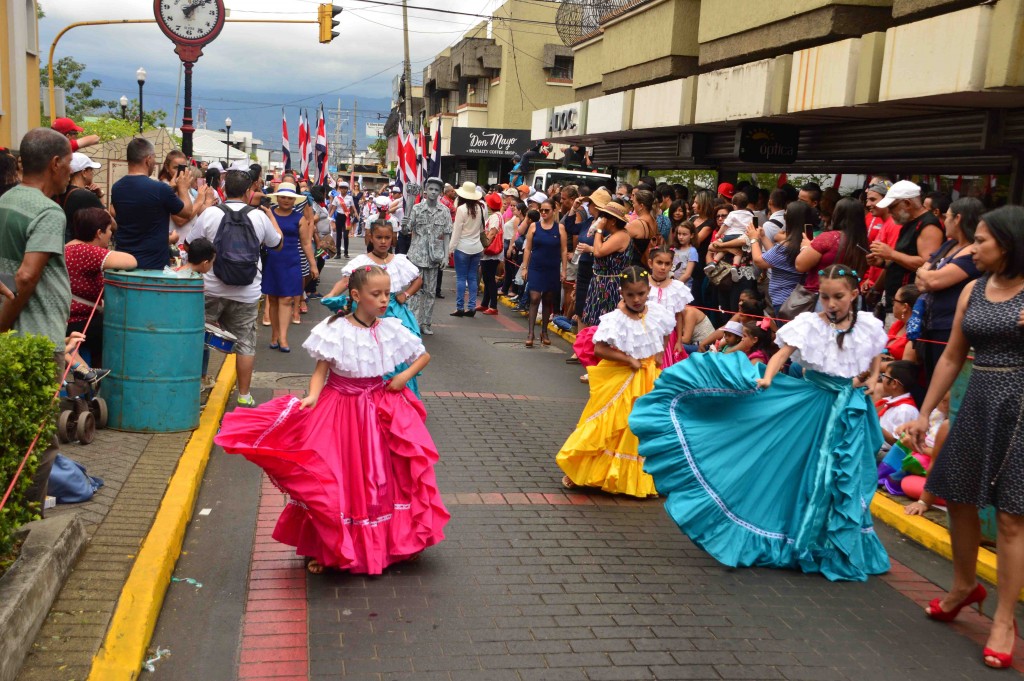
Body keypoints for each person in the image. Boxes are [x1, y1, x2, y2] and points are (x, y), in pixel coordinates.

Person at [632, 264, 891, 582]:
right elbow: (782, 354)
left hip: (849, 409)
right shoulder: (809, 324)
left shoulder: (867, 325)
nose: (831, 303)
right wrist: (767, 377)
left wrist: (874, 377)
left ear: (853, 295)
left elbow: (876, 353)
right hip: (812, 405)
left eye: (838, 296)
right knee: (805, 473)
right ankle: (805, 541)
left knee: (845, 478)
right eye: (825, 296)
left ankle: (838, 546)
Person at [214, 265, 450, 575]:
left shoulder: (390, 327)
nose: (383, 300)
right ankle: (325, 546)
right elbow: (320, 373)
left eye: (386, 293)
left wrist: (403, 377)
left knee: (382, 478)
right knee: (335, 474)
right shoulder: (334, 329)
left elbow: (422, 355)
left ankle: (393, 542)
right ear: (356, 295)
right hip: (339, 409)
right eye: (375, 294)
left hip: (379, 411)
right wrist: (311, 396)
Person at [902, 205, 1024, 670]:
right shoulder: (973, 287)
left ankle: (1005, 620)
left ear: (1009, 244)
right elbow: (952, 356)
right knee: (958, 498)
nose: (972, 248)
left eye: (982, 241)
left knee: (1013, 515)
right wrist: (925, 412)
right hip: (977, 400)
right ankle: (963, 585)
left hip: (1019, 409)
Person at [0, 127, 73, 507]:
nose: (69, 172)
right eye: (69, 164)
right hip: (36, 338)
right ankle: (26, 517)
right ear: (56, 163)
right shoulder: (47, 211)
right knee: (39, 437)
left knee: (14, 431)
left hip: (16, 339)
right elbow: (27, 275)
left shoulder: (7, 199)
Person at [557, 266, 675, 498]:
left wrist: (660, 353)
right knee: (607, 421)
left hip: (648, 377)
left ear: (648, 290)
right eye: (630, 294)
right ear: (621, 292)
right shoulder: (615, 319)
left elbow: (666, 331)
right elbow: (599, 348)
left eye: (641, 293)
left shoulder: (657, 313)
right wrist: (626, 358)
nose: (636, 299)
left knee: (641, 426)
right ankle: (581, 470)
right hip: (621, 376)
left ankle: (639, 478)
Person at [186, 169, 284, 406]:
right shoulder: (259, 217)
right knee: (245, 344)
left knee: (198, 337)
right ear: (249, 191)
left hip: (211, 288)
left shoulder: (210, 214)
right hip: (247, 292)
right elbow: (278, 244)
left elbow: (190, 243)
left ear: (225, 188)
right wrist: (271, 218)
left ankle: (194, 388)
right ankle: (244, 394)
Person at [322, 220, 424, 396]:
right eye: (379, 237)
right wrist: (331, 295)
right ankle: (370, 394)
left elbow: (418, 279)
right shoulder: (362, 261)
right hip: (367, 309)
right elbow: (346, 281)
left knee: (396, 351)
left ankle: (398, 397)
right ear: (370, 238)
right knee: (368, 351)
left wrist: (405, 295)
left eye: (387, 237)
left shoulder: (399, 260)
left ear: (393, 238)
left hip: (394, 311)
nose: (383, 241)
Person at [913, 196, 983, 381]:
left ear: (958, 218)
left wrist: (926, 275)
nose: (944, 221)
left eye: (947, 216)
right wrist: (926, 275)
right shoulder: (949, 244)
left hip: (949, 327)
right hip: (930, 322)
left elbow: (932, 281)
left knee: (943, 380)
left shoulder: (972, 252)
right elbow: (920, 280)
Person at [64, 208, 138, 366]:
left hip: (70, 318)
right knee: (124, 328)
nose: (111, 234)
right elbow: (131, 261)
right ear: (99, 233)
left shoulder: (70, 246)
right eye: (109, 230)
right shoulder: (85, 251)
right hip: (78, 321)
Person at [110, 138, 193, 269]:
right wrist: (183, 188)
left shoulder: (117, 188)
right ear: (148, 159)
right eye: (154, 158)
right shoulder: (160, 189)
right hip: (153, 266)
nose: (154, 163)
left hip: (124, 263)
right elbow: (187, 212)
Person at [870, 180, 944, 309]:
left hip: (910, 304)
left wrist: (891, 254)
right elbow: (905, 257)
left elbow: (927, 264)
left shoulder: (928, 225)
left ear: (907, 203)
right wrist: (882, 262)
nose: (889, 211)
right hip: (898, 300)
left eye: (892, 207)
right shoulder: (909, 223)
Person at [261, 183, 308, 354]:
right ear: (277, 198)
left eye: (290, 197)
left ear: (294, 200)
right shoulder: (267, 214)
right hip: (272, 260)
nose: (286, 200)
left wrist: (312, 263)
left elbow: (306, 242)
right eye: (283, 197)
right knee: (272, 298)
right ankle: (274, 335)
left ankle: (283, 337)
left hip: (291, 261)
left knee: (287, 299)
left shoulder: (300, 218)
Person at [405, 177, 453, 335]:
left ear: (440, 193)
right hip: (416, 255)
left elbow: (446, 234)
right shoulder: (417, 208)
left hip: (434, 257)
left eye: (436, 190)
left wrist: (446, 256)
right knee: (414, 291)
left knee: (431, 292)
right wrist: (405, 223)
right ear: (425, 191)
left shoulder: (444, 211)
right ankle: (412, 321)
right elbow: (406, 231)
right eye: (430, 189)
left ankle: (426, 323)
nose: (433, 192)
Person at [520, 198, 568, 347]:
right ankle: (530, 333)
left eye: (547, 210)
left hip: (552, 267)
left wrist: (564, 270)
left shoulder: (559, 228)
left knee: (548, 299)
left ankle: (544, 331)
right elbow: (527, 248)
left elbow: (564, 250)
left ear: (554, 211)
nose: (544, 213)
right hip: (536, 266)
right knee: (534, 297)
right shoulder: (534, 226)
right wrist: (525, 267)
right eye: (542, 210)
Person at [750, 200, 811, 312]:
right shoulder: (807, 244)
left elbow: (759, 261)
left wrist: (753, 239)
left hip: (784, 302)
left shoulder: (786, 246)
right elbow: (774, 257)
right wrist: (763, 237)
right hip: (801, 300)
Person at [647, 246, 692, 367]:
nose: (663, 267)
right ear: (650, 263)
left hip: (668, 337)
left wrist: (678, 341)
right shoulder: (643, 284)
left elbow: (678, 316)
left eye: (667, 264)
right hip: (646, 334)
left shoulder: (676, 287)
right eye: (659, 263)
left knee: (663, 366)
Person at [448, 181, 485, 317]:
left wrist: (450, 249)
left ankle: (459, 307)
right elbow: (482, 229)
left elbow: (456, 232)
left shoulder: (461, 209)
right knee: (473, 279)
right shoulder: (480, 208)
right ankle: (472, 306)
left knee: (461, 278)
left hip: (462, 247)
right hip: (476, 247)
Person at [59, 153, 104, 242]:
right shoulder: (85, 196)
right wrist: (100, 195)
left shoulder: (61, 192)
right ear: (84, 172)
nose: (92, 173)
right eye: (91, 170)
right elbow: (110, 223)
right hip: (78, 249)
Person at [478, 193, 504, 315]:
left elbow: (492, 232)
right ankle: (485, 303)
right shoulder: (498, 215)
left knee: (489, 279)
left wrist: (485, 245)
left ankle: (493, 306)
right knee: (488, 278)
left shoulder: (494, 217)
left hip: (490, 253)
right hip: (491, 254)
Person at [884, 284, 920, 364]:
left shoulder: (916, 333)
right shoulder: (898, 324)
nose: (893, 303)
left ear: (905, 307)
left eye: (895, 300)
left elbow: (906, 366)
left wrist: (875, 366)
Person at [670, 221, 698, 288]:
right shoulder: (675, 249)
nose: (681, 237)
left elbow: (687, 274)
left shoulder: (692, 251)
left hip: (684, 286)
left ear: (692, 235)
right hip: (672, 283)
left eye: (684, 234)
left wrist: (675, 286)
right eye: (679, 234)